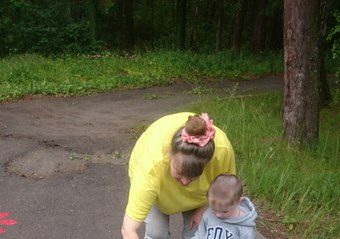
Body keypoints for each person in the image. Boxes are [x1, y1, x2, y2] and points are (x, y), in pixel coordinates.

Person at [121, 112, 236, 239]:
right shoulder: (151, 168)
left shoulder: (222, 152)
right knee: (157, 233)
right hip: (160, 188)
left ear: (208, 163)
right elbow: (129, 229)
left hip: (199, 194)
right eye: (179, 173)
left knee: (197, 232)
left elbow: (224, 192)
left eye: (194, 176)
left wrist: (202, 209)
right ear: (169, 155)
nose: (185, 182)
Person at [192, 174, 257, 239]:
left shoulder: (244, 228)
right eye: (214, 209)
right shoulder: (208, 215)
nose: (218, 215)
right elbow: (201, 233)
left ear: (238, 202)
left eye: (225, 211)